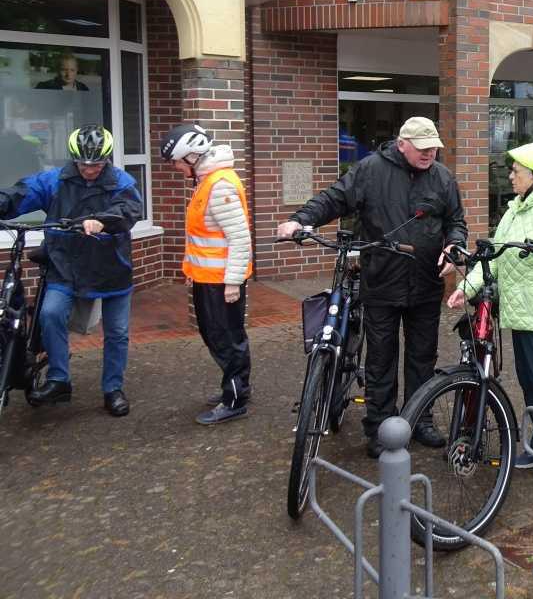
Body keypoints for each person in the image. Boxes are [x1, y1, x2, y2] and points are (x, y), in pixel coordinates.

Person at [277, 117, 467, 458]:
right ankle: (380, 427)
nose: (429, 153)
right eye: (422, 148)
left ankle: (419, 420)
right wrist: (300, 220)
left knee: (423, 356)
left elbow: (455, 221)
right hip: (381, 281)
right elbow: (334, 198)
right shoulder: (371, 170)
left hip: (425, 282)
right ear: (402, 144)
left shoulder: (442, 177)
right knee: (381, 359)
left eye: (433, 148)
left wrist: (454, 244)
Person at [447, 143, 533, 484]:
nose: (510, 176)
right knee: (531, 384)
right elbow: (494, 257)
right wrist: (467, 288)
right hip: (522, 313)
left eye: (516, 171)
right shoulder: (516, 209)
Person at [0, 125, 141, 415]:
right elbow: (22, 193)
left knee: (117, 331)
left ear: (106, 160)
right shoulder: (55, 180)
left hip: (111, 265)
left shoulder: (121, 181)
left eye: (96, 164)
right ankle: (59, 379)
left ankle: (113, 389)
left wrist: (102, 220)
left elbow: (128, 210)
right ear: (74, 159)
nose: (89, 170)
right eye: (83, 164)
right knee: (50, 314)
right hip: (66, 264)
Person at [160, 123, 255, 425]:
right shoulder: (206, 180)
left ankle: (235, 399)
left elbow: (239, 238)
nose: (175, 168)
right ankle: (236, 386)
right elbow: (202, 236)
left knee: (227, 338)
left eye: (176, 162)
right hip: (208, 278)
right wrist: (192, 270)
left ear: (192, 157)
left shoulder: (219, 185)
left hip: (221, 281)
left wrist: (233, 282)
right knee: (216, 334)